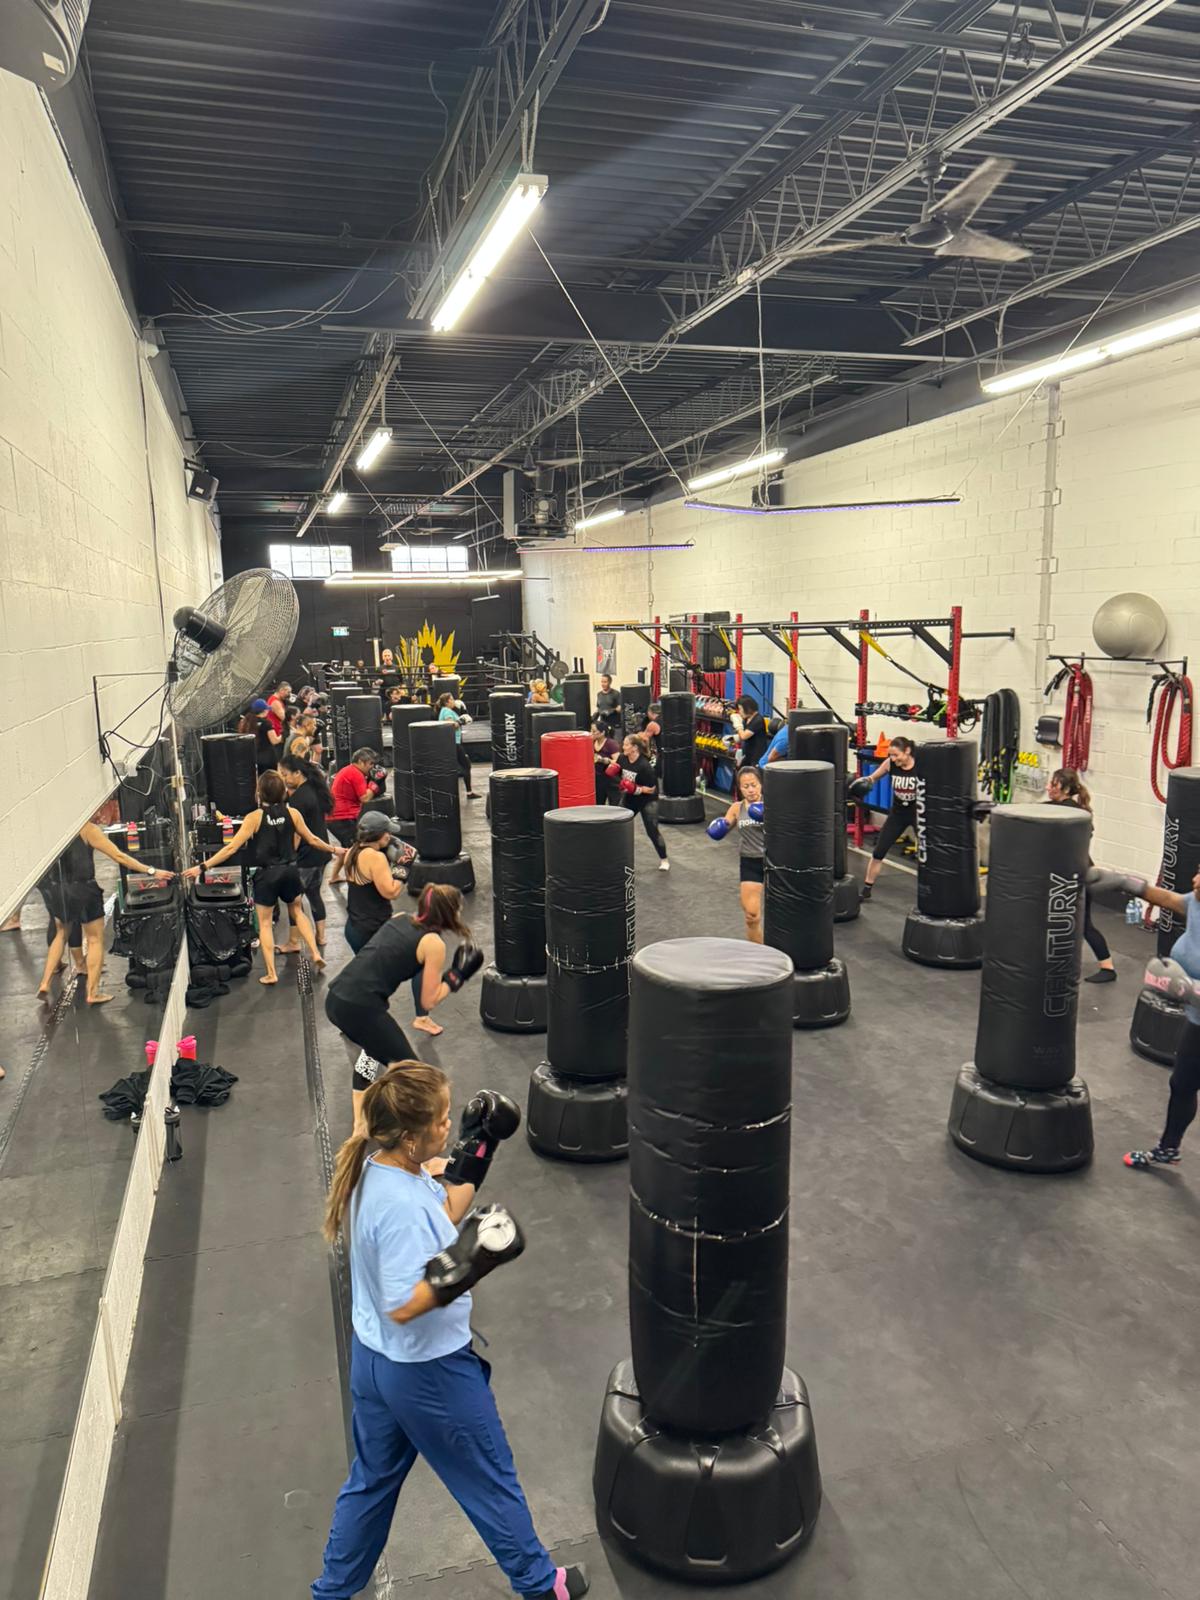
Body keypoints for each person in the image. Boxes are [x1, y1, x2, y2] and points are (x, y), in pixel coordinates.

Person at [311, 1064, 587, 1600]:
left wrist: (479, 1148)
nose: (448, 1128)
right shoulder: (399, 1209)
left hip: (375, 1364)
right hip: (426, 1372)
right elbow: (401, 1304)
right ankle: (539, 1585)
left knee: (370, 1485)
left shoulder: (379, 1168)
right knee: (488, 1477)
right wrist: (470, 1262)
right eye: (441, 1122)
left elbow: (445, 1206)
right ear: (411, 1136)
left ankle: (331, 1593)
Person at [324, 886, 482, 1124]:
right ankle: (411, 1135)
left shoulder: (401, 918)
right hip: (360, 1007)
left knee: (373, 1050)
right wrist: (456, 976)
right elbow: (429, 1000)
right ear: (449, 913)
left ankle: (360, 1123)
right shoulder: (433, 944)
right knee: (412, 1073)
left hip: (336, 998)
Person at [185, 771, 341, 983]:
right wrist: (335, 849)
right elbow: (312, 839)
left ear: (259, 793)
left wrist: (202, 867)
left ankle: (271, 973)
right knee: (297, 911)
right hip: (290, 870)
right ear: (284, 792)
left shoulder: (255, 817)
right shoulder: (292, 813)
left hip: (268, 875)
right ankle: (315, 953)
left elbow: (231, 849)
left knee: (265, 924)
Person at [39, 800, 173, 1004]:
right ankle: (93, 992)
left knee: (60, 933)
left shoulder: (54, 831)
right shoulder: (87, 829)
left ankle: (45, 983)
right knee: (94, 939)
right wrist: (152, 871)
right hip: (84, 889)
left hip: (59, 889)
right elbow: (118, 855)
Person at [1046, 768, 1116, 983]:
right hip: (1073, 872)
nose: (1048, 787)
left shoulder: (1070, 811)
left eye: (1054, 784)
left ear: (1065, 789)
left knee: (1084, 925)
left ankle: (1108, 968)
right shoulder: (1062, 808)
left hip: (1080, 875)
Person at [280, 753, 337, 951]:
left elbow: (297, 834)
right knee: (314, 894)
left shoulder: (299, 800)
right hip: (320, 855)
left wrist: (288, 857)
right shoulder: (314, 789)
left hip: (306, 856)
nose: (284, 779)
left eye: (286, 774)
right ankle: (321, 936)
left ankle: (294, 942)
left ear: (298, 773)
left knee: (293, 900)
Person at [341, 811, 417, 959]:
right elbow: (391, 892)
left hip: (354, 926)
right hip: (371, 931)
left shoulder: (352, 851)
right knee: (381, 979)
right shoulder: (376, 857)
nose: (390, 835)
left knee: (368, 975)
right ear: (378, 834)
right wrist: (404, 866)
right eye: (387, 832)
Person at [855, 736, 918, 901]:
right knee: (878, 851)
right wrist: (859, 787)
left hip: (918, 813)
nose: (893, 758)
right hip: (898, 813)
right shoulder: (890, 764)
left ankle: (933, 890)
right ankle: (867, 888)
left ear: (907, 751)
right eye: (891, 755)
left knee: (929, 855)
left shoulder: (921, 765)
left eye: (896, 755)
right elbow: (872, 779)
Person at [708, 766, 765, 941]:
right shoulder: (736, 808)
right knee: (751, 916)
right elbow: (724, 825)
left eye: (753, 785)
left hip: (775, 861)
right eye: (745, 786)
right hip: (750, 861)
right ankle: (759, 955)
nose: (750, 790)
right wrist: (719, 827)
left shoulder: (773, 804)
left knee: (785, 914)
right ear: (740, 789)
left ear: (761, 785)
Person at [612, 733, 669, 872]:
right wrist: (619, 780)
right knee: (617, 827)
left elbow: (651, 789)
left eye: (626, 744)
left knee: (652, 831)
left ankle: (664, 859)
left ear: (634, 748)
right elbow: (619, 773)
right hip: (630, 798)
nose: (623, 746)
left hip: (647, 800)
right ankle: (615, 859)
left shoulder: (645, 767)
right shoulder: (622, 758)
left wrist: (635, 788)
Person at [329, 747, 386, 880]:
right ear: (361, 761)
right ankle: (354, 880)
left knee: (348, 847)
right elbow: (365, 798)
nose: (372, 767)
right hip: (341, 818)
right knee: (355, 849)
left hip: (337, 816)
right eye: (370, 764)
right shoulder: (356, 774)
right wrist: (375, 783)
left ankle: (334, 876)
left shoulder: (349, 770)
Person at [437, 692, 478, 800]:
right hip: (453, 742)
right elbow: (451, 725)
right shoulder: (446, 711)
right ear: (447, 702)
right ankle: (469, 793)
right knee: (466, 765)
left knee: (459, 766)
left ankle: (465, 792)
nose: (454, 701)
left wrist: (462, 714)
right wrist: (461, 721)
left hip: (452, 742)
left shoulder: (447, 710)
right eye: (452, 699)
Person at [240, 700, 282, 775]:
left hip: (253, 757)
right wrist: (283, 735)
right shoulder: (266, 723)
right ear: (264, 711)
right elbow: (274, 741)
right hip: (268, 758)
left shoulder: (246, 722)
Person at [729, 695, 769, 768]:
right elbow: (747, 735)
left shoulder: (758, 720)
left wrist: (738, 725)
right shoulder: (747, 719)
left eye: (740, 709)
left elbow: (744, 736)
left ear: (748, 708)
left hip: (756, 758)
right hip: (747, 755)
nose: (739, 712)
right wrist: (732, 738)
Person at [590, 720, 620, 804]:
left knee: (614, 805)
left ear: (602, 732)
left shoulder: (611, 744)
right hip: (598, 780)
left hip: (611, 781)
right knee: (598, 804)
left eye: (594, 731)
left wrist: (604, 760)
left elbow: (618, 761)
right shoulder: (591, 743)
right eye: (591, 730)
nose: (591, 733)